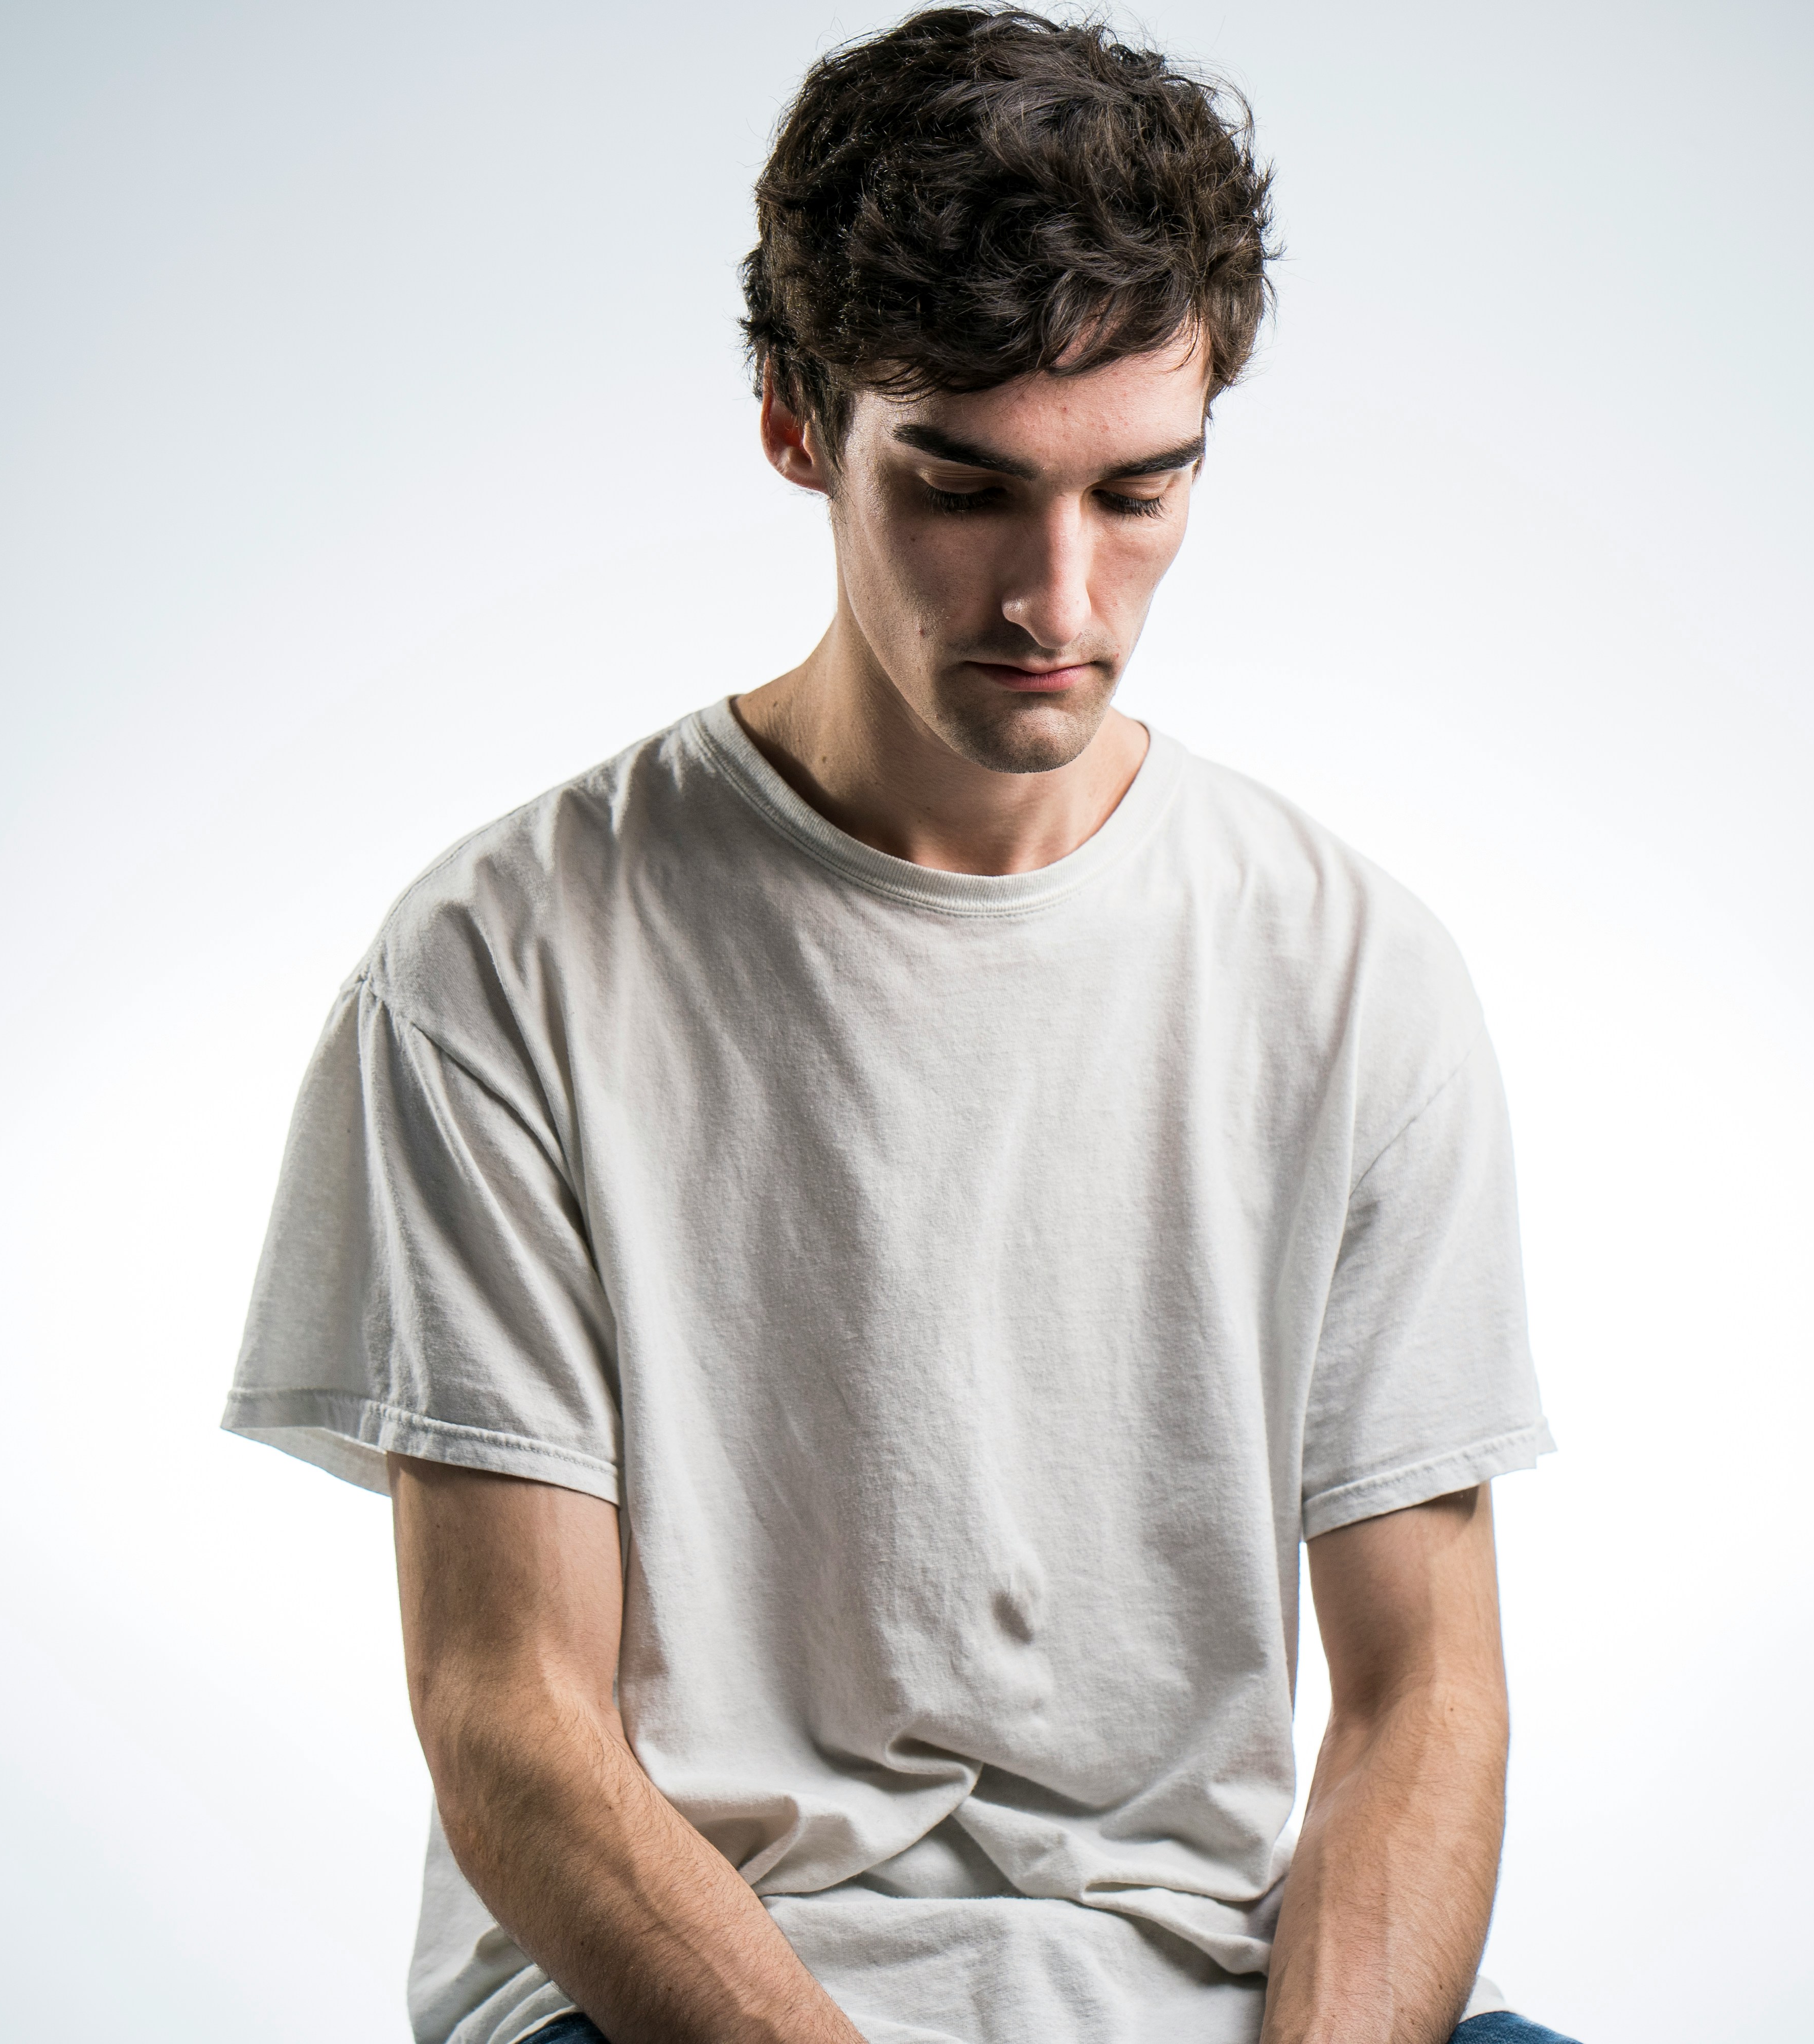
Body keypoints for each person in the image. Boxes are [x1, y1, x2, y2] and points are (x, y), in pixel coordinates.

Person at [221, 10, 1572, 2041]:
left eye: (1141, 491)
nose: (1063, 597)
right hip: (672, 2000)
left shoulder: (1354, 971)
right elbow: (510, 1714)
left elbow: (1425, 1694)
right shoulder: (498, 966)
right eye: (965, 486)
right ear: (795, 417)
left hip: (1204, 1986)